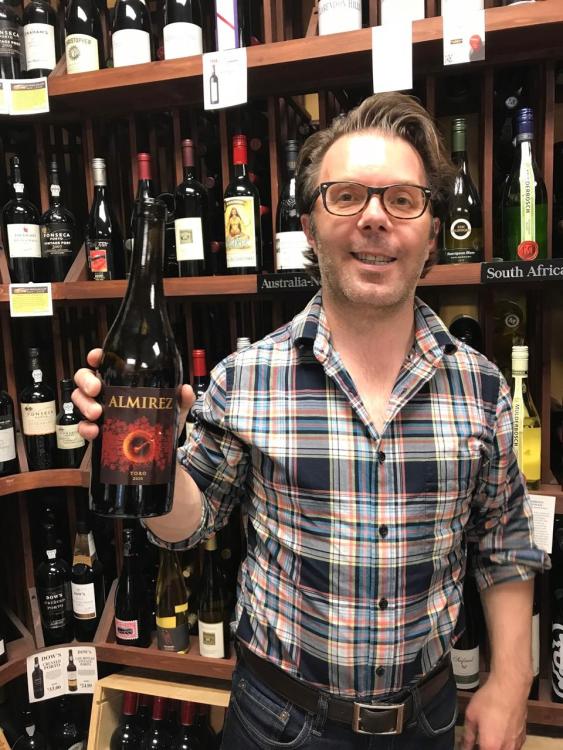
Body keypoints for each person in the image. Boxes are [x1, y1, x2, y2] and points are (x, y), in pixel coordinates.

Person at [73, 92, 549, 750]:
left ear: (432, 232)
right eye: (346, 197)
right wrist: (144, 457)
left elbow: (504, 543)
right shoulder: (245, 379)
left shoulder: (481, 386)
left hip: (428, 720)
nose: (374, 218)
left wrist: (510, 680)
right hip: (281, 723)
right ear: (310, 224)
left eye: (402, 200)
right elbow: (185, 528)